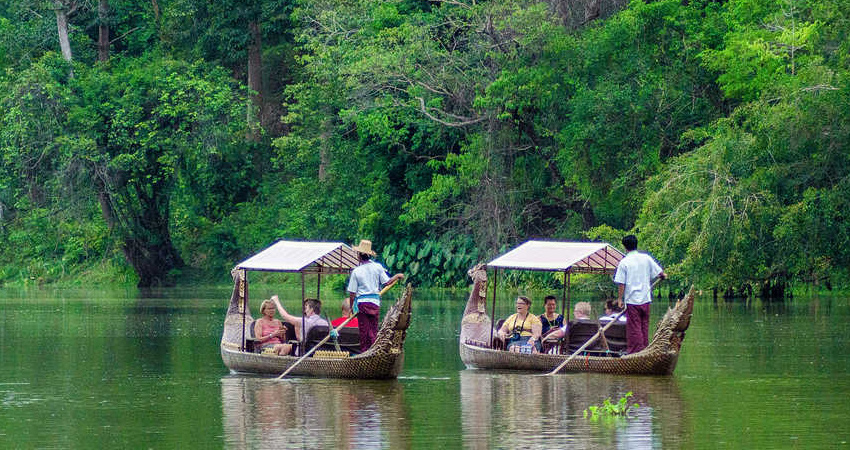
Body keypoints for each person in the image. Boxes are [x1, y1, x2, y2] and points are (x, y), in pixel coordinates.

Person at [347, 239, 405, 352]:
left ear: (359, 255)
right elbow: (387, 282)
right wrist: (397, 275)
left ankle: (365, 352)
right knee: (373, 331)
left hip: (362, 304)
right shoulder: (377, 267)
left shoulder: (356, 271)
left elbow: (352, 293)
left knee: (364, 331)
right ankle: (373, 351)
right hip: (374, 303)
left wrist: (351, 308)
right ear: (369, 255)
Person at [614, 234, 666, 354]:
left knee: (634, 329)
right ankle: (645, 351)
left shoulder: (624, 262)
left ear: (625, 247)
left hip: (632, 301)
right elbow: (660, 273)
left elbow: (621, 283)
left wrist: (620, 299)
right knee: (644, 327)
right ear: (636, 245)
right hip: (646, 299)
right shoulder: (646, 258)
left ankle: (636, 353)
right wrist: (663, 276)